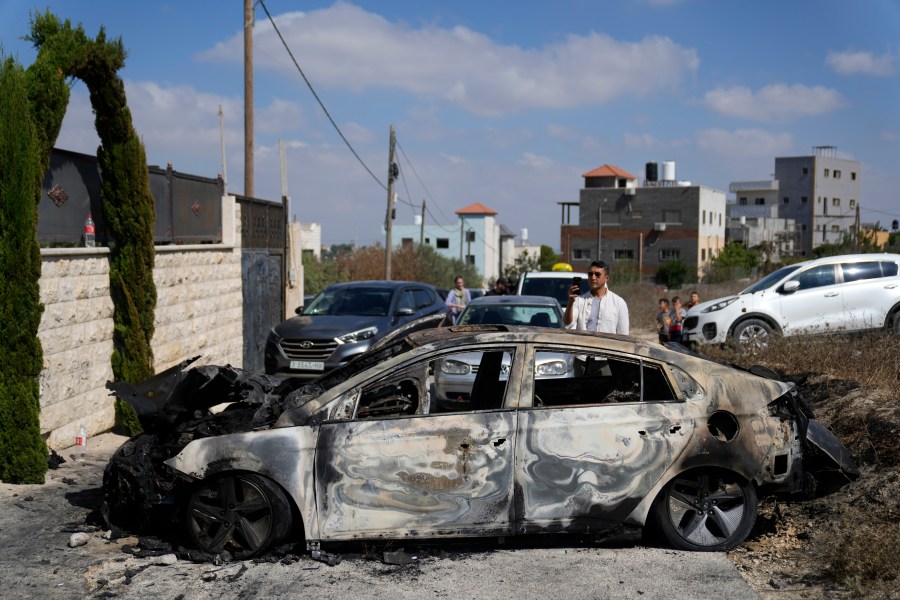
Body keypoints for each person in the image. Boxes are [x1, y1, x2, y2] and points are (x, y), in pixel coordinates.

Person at [564, 260, 629, 335]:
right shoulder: (579, 300)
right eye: (590, 274)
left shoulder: (619, 303)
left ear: (606, 278)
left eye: (597, 274)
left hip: (606, 346)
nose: (593, 277)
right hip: (584, 345)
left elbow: (624, 335)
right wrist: (570, 302)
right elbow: (568, 324)